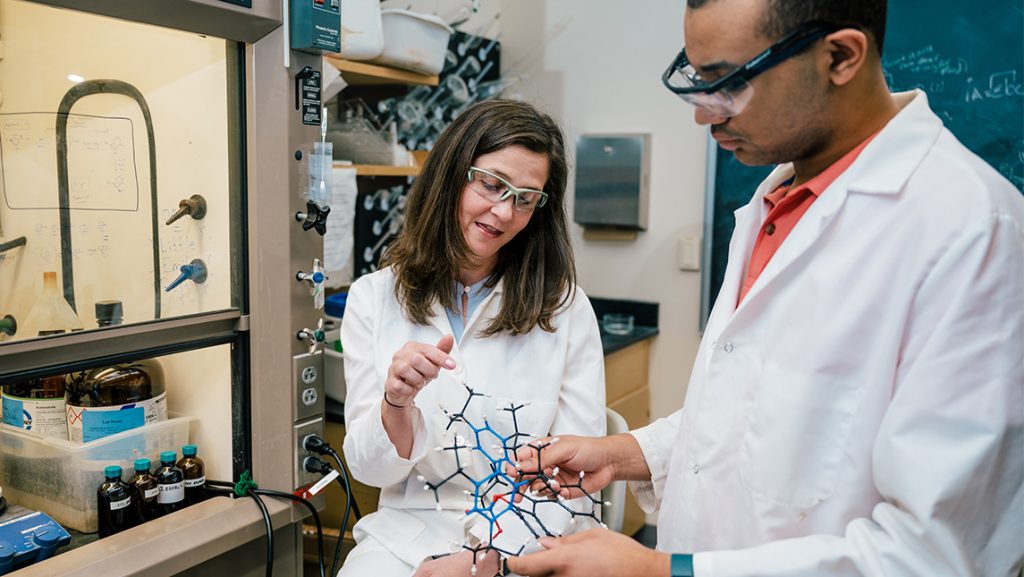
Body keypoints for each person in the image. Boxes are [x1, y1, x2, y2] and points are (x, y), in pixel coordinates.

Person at [507, 1, 1024, 576]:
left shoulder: (972, 230)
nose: (705, 116)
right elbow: (760, 418)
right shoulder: (771, 205)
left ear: (840, 57)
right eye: (697, 81)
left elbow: (940, 553)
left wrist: (658, 571)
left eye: (727, 82)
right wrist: (628, 454)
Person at [339, 99, 607, 577]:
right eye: (492, 184)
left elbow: (577, 476)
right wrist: (395, 403)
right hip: (407, 535)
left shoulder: (565, 308)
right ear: (451, 175)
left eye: (526, 198)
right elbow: (370, 470)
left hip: (537, 535)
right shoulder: (373, 298)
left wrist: (490, 560)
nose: (504, 212)